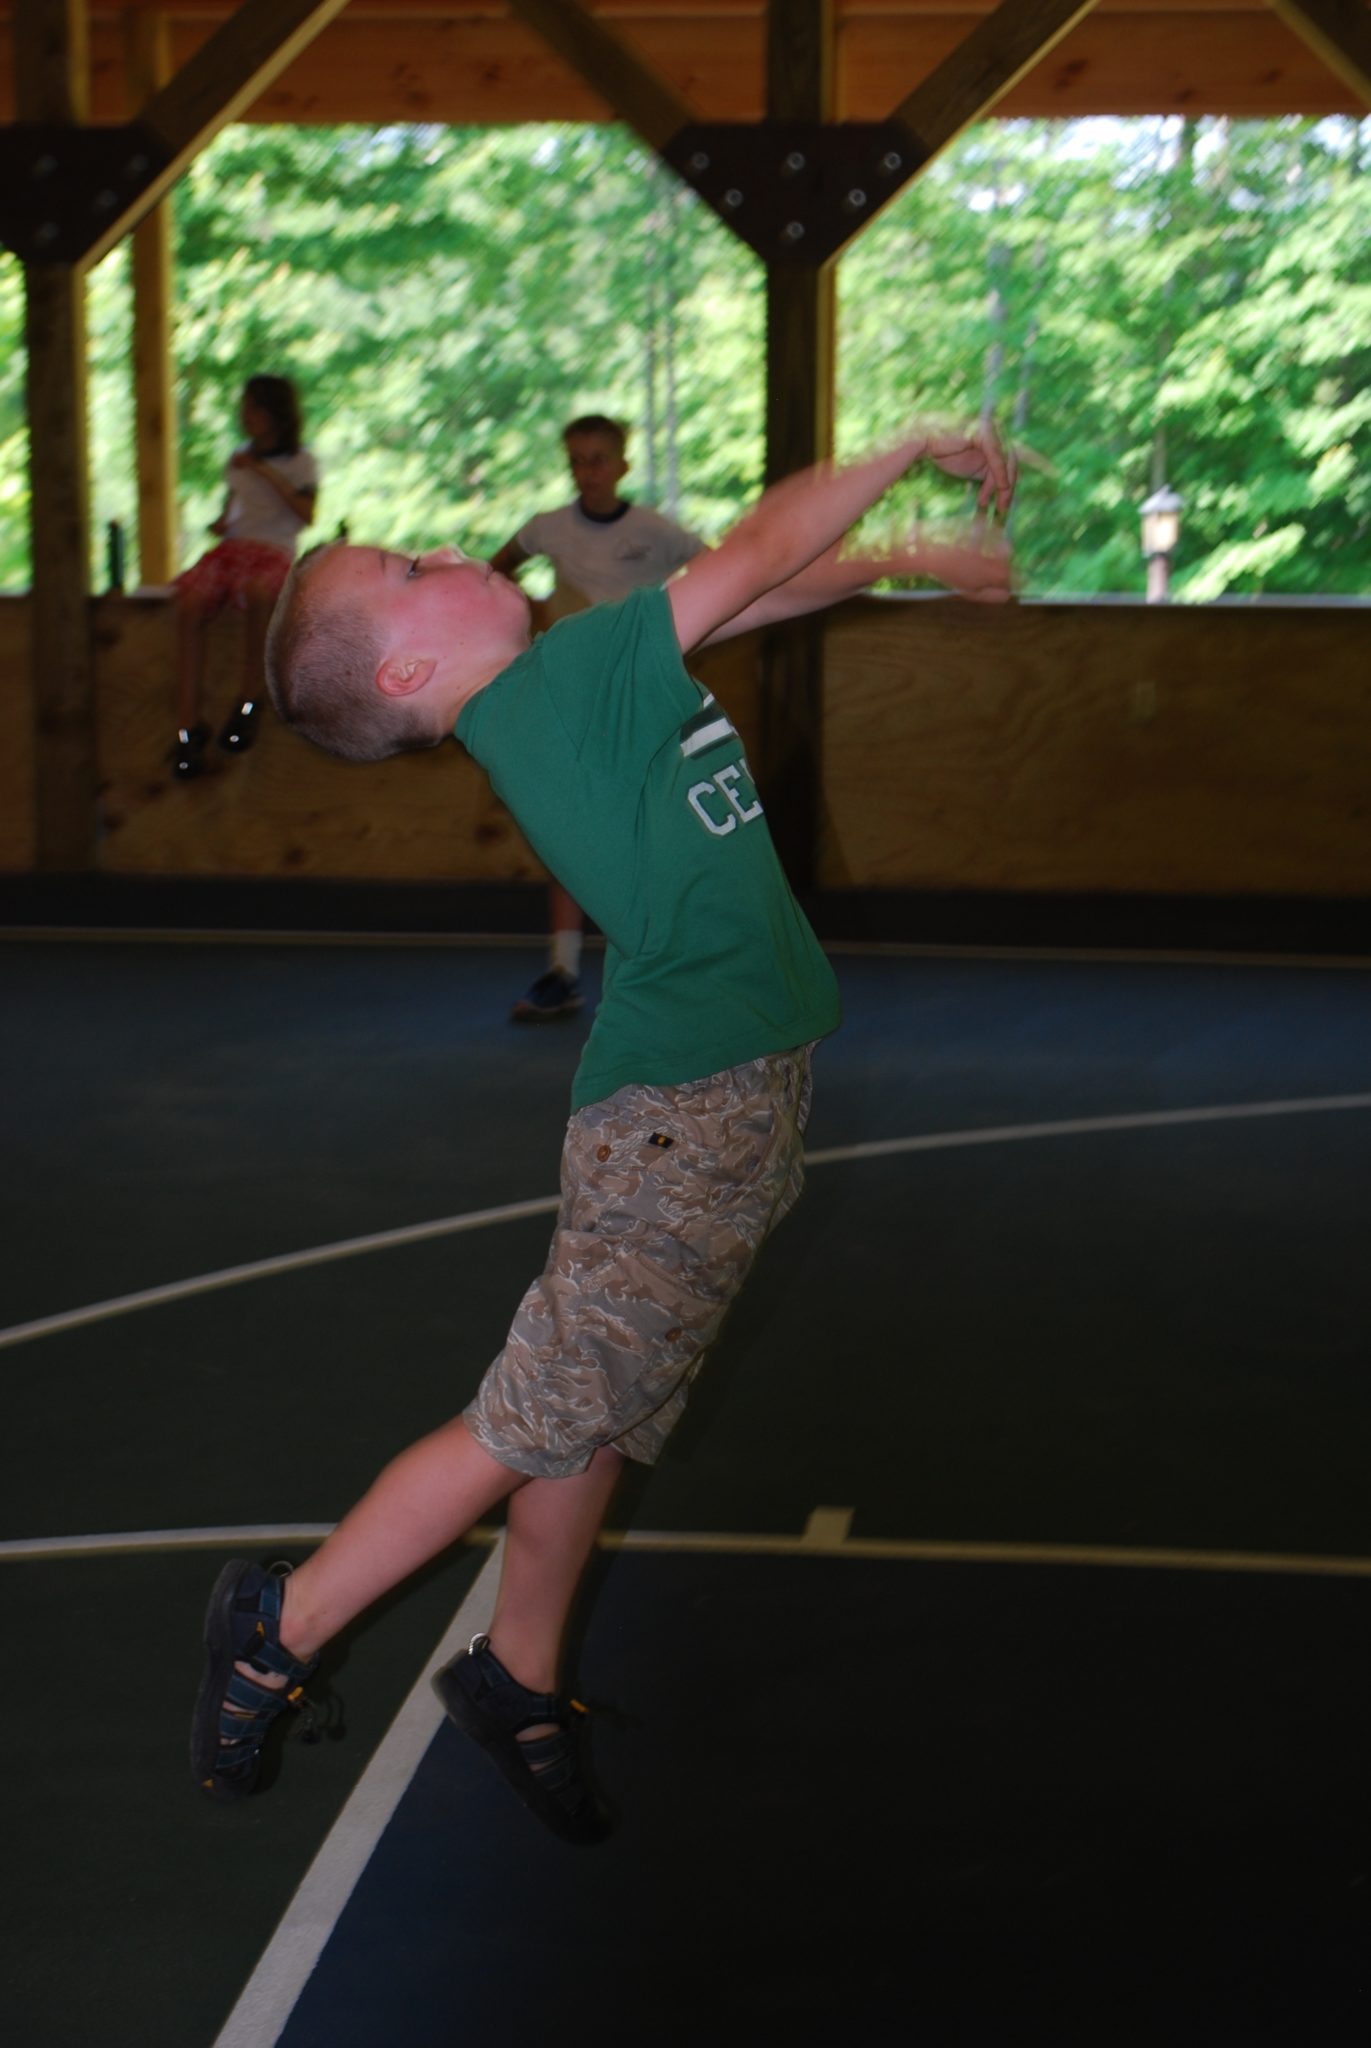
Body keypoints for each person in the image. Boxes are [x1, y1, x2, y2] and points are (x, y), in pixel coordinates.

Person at [190, 420, 1016, 1843]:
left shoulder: (571, 678)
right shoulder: (567, 682)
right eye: (407, 568)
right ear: (407, 673)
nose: (442, 546)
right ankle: (286, 1623)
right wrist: (910, 449)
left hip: (707, 1106)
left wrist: (905, 561)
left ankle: (517, 1672)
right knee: (534, 1418)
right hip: (685, 1115)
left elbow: (755, 594)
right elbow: (758, 547)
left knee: (596, 1409)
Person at [489, 415, 704, 1021]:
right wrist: (525, 622)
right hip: (573, 699)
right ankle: (563, 971)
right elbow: (493, 572)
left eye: (598, 459)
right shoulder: (547, 528)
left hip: (641, 700)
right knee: (569, 826)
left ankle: (672, 969)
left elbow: (722, 574)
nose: (587, 471)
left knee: (653, 830)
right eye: (577, 460)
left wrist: (673, 638)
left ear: (623, 465)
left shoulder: (656, 531)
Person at [169, 374, 319, 779]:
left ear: (275, 414)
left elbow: (306, 514)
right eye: (245, 407)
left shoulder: (300, 461)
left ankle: (249, 701)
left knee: (259, 592)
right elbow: (233, 508)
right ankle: (187, 727)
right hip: (234, 548)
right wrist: (221, 522)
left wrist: (263, 471)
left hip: (273, 550)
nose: (245, 415)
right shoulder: (237, 458)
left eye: (254, 407)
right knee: (189, 601)